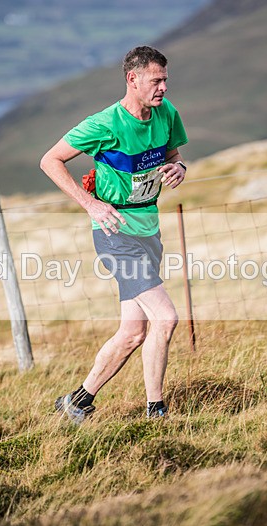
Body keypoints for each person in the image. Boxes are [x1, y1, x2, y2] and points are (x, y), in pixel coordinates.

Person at [39, 45, 188, 423]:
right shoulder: (104, 124)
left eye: (165, 80)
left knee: (132, 332)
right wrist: (90, 205)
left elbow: (171, 157)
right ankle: (157, 411)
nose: (163, 88)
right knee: (166, 318)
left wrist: (178, 168)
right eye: (156, 80)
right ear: (132, 79)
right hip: (114, 233)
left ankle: (77, 402)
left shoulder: (166, 114)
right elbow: (49, 160)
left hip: (148, 229)